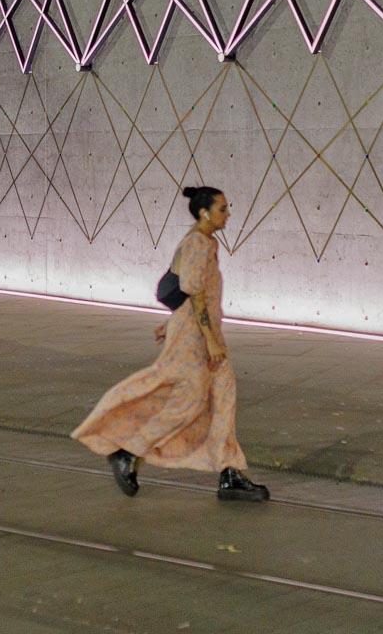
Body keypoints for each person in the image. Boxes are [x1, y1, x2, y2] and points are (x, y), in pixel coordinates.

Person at [73, 186, 269, 503]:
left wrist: (174, 323)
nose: (228, 214)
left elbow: (195, 293)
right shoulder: (196, 244)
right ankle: (127, 451)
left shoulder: (207, 242)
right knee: (186, 401)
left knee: (224, 397)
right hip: (195, 338)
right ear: (204, 212)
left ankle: (229, 472)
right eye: (222, 208)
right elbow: (196, 293)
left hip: (198, 330)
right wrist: (208, 339)